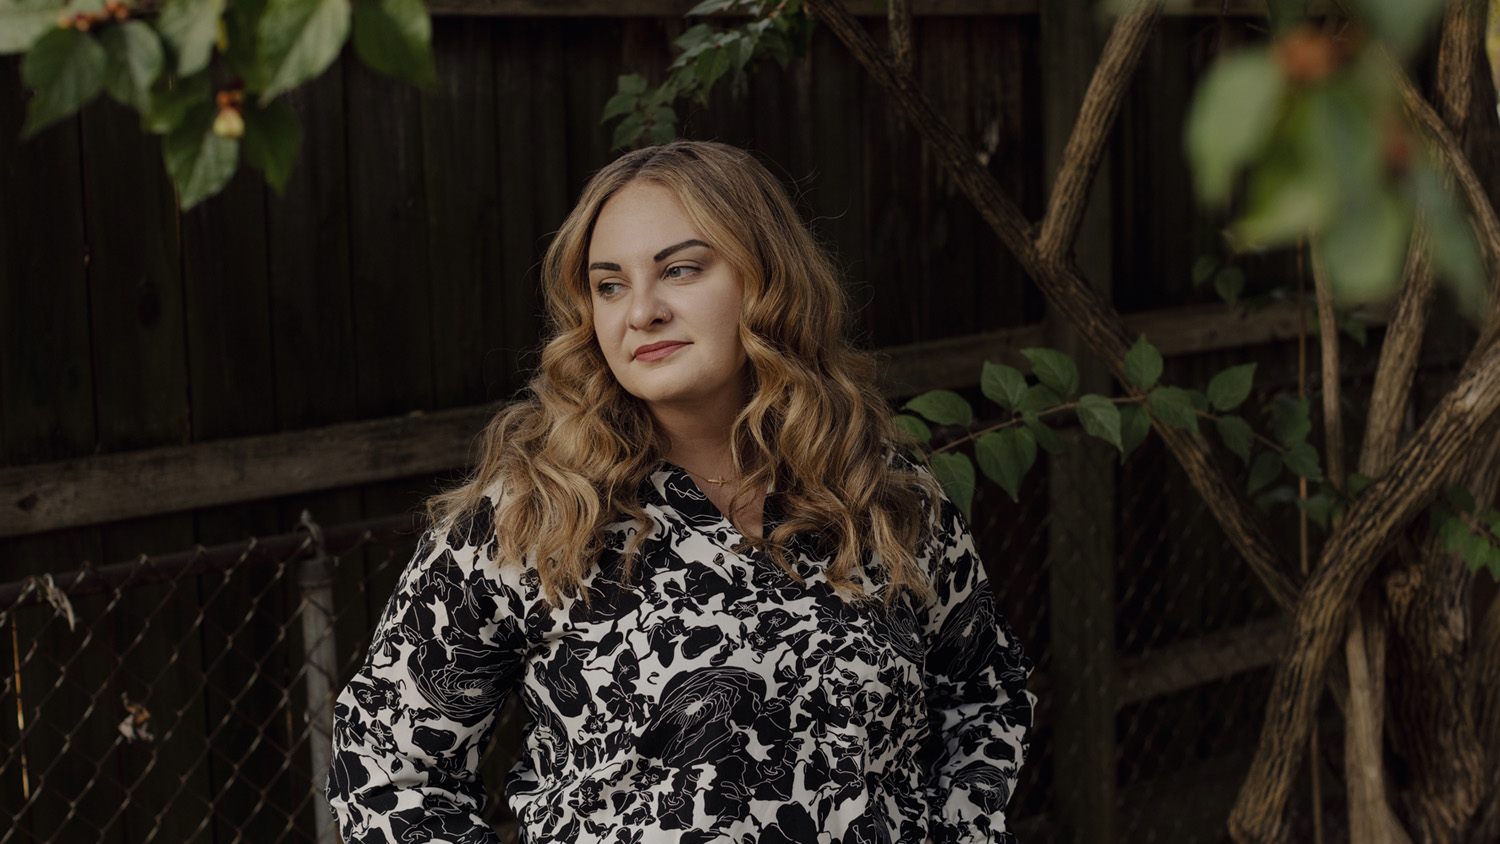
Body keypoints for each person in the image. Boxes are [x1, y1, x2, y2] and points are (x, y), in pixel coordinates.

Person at [325, 140, 1034, 844]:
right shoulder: (532, 512)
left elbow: (985, 695)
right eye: (609, 285)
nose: (641, 312)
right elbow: (385, 766)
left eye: (680, 270)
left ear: (766, 279)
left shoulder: (879, 489)